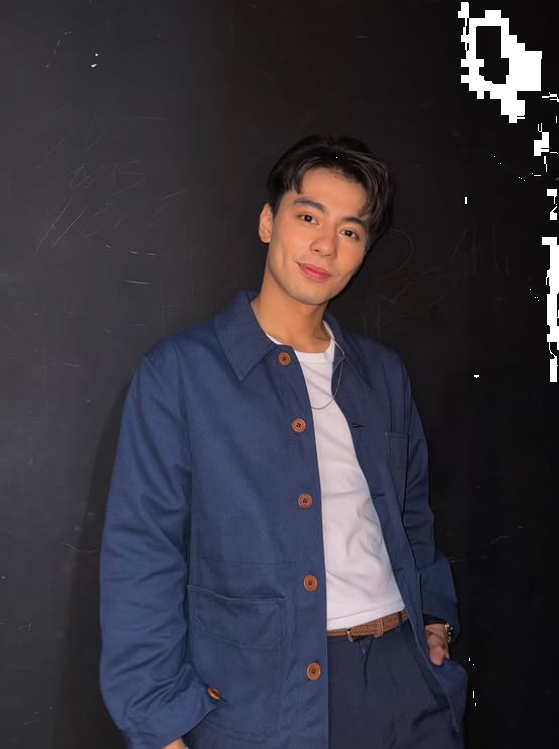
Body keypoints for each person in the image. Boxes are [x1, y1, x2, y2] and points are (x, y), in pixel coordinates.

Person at [99, 134, 467, 749]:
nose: (326, 245)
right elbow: (143, 554)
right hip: (271, 699)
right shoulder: (183, 372)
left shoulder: (382, 373)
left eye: (350, 231)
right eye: (309, 217)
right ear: (269, 222)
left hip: (406, 682)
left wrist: (435, 620)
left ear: (363, 251)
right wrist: (160, 725)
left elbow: (411, 515)